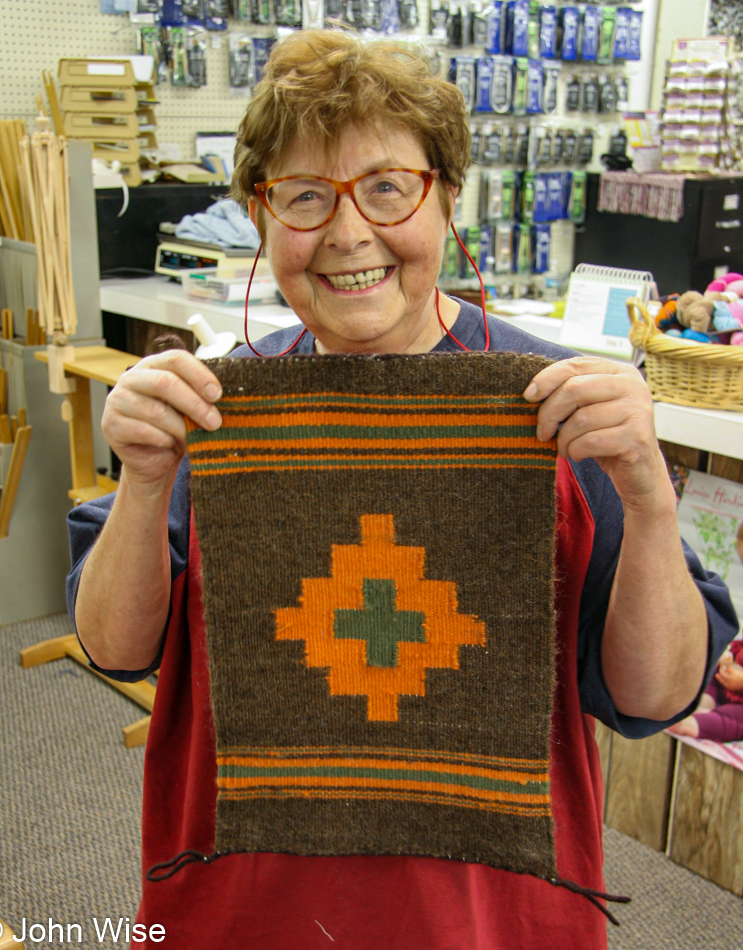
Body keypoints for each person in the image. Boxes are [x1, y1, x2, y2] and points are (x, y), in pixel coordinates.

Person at [67, 29, 738, 950]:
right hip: (238, 915)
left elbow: (654, 697)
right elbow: (114, 648)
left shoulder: (559, 415)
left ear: (448, 195)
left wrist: (651, 497)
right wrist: (144, 485)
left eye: (388, 186)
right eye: (304, 197)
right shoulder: (214, 417)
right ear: (261, 219)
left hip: (485, 921)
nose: (348, 233)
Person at [670, 639, 743, 742]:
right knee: (712, 663)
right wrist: (728, 656)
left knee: (736, 720)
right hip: (724, 682)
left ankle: (696, 723)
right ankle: (703, 702)